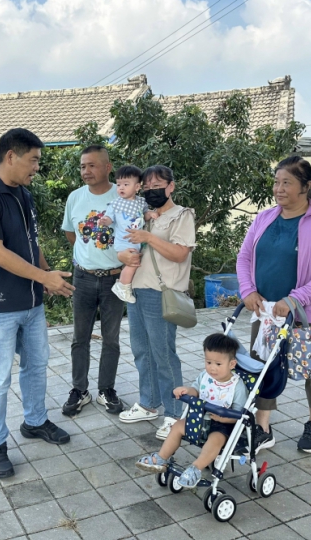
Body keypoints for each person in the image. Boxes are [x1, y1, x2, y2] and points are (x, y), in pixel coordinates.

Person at [0, 128, 75, 479]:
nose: (36, 168)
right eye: (34, 160)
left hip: (31, 302)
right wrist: (43, 278)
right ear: (10, 156)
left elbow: (29, 242)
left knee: (37, 365)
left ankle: (35, 421)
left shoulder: (23, 194)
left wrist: (46, 274)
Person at [236, 155, 311, 455]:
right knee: (262, 369)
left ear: (306, 187)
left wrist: (295, 300)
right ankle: (263, 428)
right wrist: (247, 290)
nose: (279, 189)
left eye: (287, 183)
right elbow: (245, 258)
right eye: (276, 182)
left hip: (306, 315)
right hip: (266, 312)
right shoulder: (264, 218)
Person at [116, 165, 196, 440]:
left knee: (163, 354)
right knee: (141, 350)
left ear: (171, 186)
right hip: (136, 290)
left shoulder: (181, 215)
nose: (152, 191)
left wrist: (148, 237)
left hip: (161, 293)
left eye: (158, 186)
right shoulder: (139, 213)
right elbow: (123, 245)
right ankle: (149, 402)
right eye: (147, 187)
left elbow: (179, 254)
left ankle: (175, 414)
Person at [60, 146, 125, 416]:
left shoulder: (122, 196)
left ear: (108, 167)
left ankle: (106, 390)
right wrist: (89, 257)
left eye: (92, 166)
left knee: (111, 338)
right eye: (83, 166)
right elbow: (70, 233)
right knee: (80, 338)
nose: (86, 171)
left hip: (115, 278)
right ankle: (80, 390)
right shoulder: (75, 198)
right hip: (83, 277)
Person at [135, 333, 248, 488]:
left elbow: (239, 414)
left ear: (232, 364)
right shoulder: (205, 376)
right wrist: (185, 390)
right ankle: (162, 458)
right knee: (177, 426)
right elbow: (195, 390)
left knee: (215, 441)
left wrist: (223, 419)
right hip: (200, 418)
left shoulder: (237, 386)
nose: (212, 368)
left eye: (218, 364)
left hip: (222, 425)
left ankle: (196, 468)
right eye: (208, 362)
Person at [98, 165, 158, 303]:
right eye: (118, 184)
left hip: (136, 241)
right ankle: (122, 287)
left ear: (137, 187)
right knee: (132, 264)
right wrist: (104, 221)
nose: (121, 188)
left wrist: (151, 214)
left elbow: (144, 215)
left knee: (133, 264)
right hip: (124, 241)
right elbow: (109, 219)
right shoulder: (115, 204)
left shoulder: (140, 202)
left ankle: (124, 285)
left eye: (126, 184)